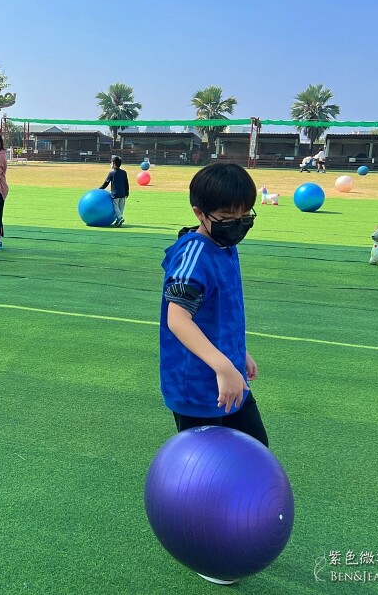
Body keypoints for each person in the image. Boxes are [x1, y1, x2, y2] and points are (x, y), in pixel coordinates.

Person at [159, 164, 266, 585]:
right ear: (200, 212)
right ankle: (208, 549)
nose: (238, 227)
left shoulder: (225, 247)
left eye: (246, 218)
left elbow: (220, 312)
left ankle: (238, 530)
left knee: (254, 448)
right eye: (228, 219)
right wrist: (223, 365)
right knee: (204, 475)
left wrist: (240, 355)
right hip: (196, 383)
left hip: (229, 374)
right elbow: (179, 319)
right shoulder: (193, 254)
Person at [99, 155, 130, 227]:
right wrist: (127, 192)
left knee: (115, 206)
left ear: (114, 164)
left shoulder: (112, 173)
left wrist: (99, 189)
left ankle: (120, 218)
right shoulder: (124, 172)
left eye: (111, 163)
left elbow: (106, 183)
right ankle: (118, 220)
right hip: (123, 193)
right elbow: (126, 183)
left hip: (115, 194)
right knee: (121, 206)